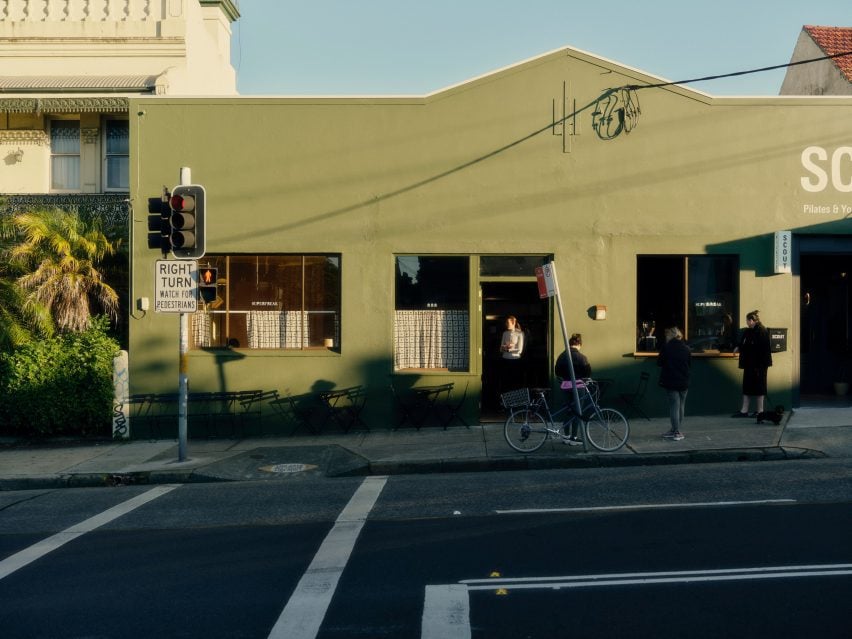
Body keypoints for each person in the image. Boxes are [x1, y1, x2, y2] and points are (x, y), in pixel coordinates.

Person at [732, 309, 773, 418]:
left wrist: (758, 365)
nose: (746, 323)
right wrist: (738, 346)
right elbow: (744, 342)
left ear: (752, 320)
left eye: (747, 321)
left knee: (759, 387)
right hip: (749, 364)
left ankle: (760, 411)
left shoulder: (762, 331)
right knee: (747, 387)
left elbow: (761, 350)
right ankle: (744, 410)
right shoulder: (749, 331)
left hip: (759, 365)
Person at [555, 333, 592, 445]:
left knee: (568, 411)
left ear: (569, 344)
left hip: (565, 386)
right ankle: (574, 438)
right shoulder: (582, 357)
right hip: (579, 387)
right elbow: (588, 372)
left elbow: (557, 371)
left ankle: (566, 436)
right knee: (577, 411)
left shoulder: (562, 356)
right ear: (579, 344)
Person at [657, 326, 691, 441]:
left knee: (674, 407)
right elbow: (689, 364)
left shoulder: (666, 347)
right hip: (684, 381)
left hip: (671, 381)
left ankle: (676, 432)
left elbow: (659, 362)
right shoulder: (686, 348)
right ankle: (674, 429)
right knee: (681, 406)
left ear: (670, 335)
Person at [498, 315, 525, 394]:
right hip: (505, 359)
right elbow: (500, 348)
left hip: (515, 360)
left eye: (508, 322)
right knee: (505, 381)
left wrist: (509, 349)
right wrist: (505, 348)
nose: (506, 324)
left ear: (513, 323)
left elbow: (520, 350)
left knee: (515, 380)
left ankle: (515, 397)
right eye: (506, 323)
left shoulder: (520, 333)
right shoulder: (505, 333)